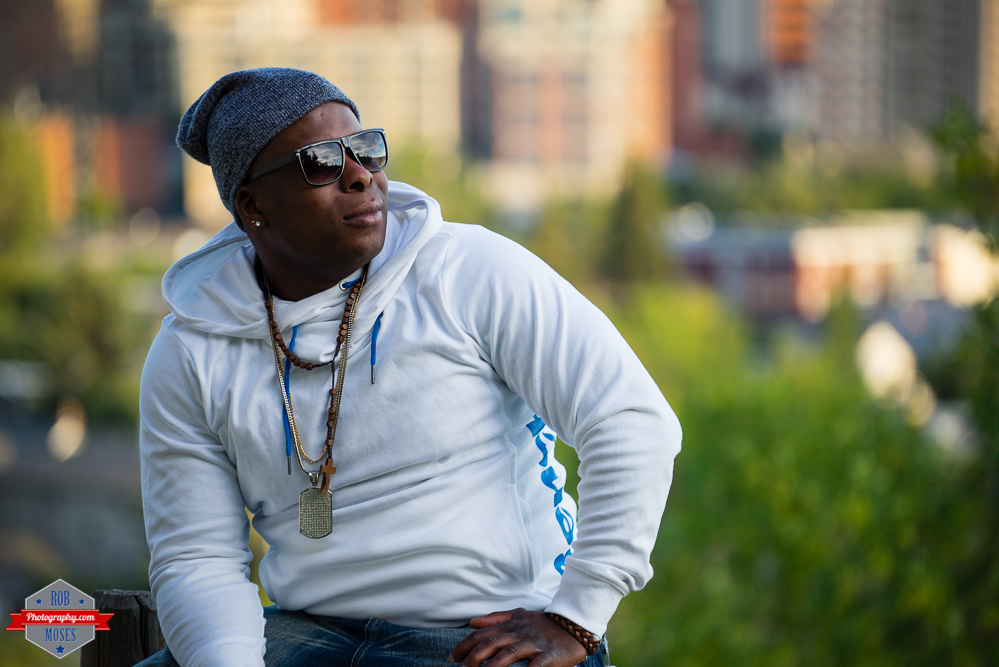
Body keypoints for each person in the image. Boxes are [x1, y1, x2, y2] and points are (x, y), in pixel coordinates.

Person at [137, 67, 682, 667]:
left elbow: (630, 421)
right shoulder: (191, 350)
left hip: (482, 635)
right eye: (321, 162)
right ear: (252, 205)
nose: (360, 175)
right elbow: (198, 557)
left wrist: (578, 615)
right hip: (309, 633)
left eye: (366, 149)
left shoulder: (467, 271)